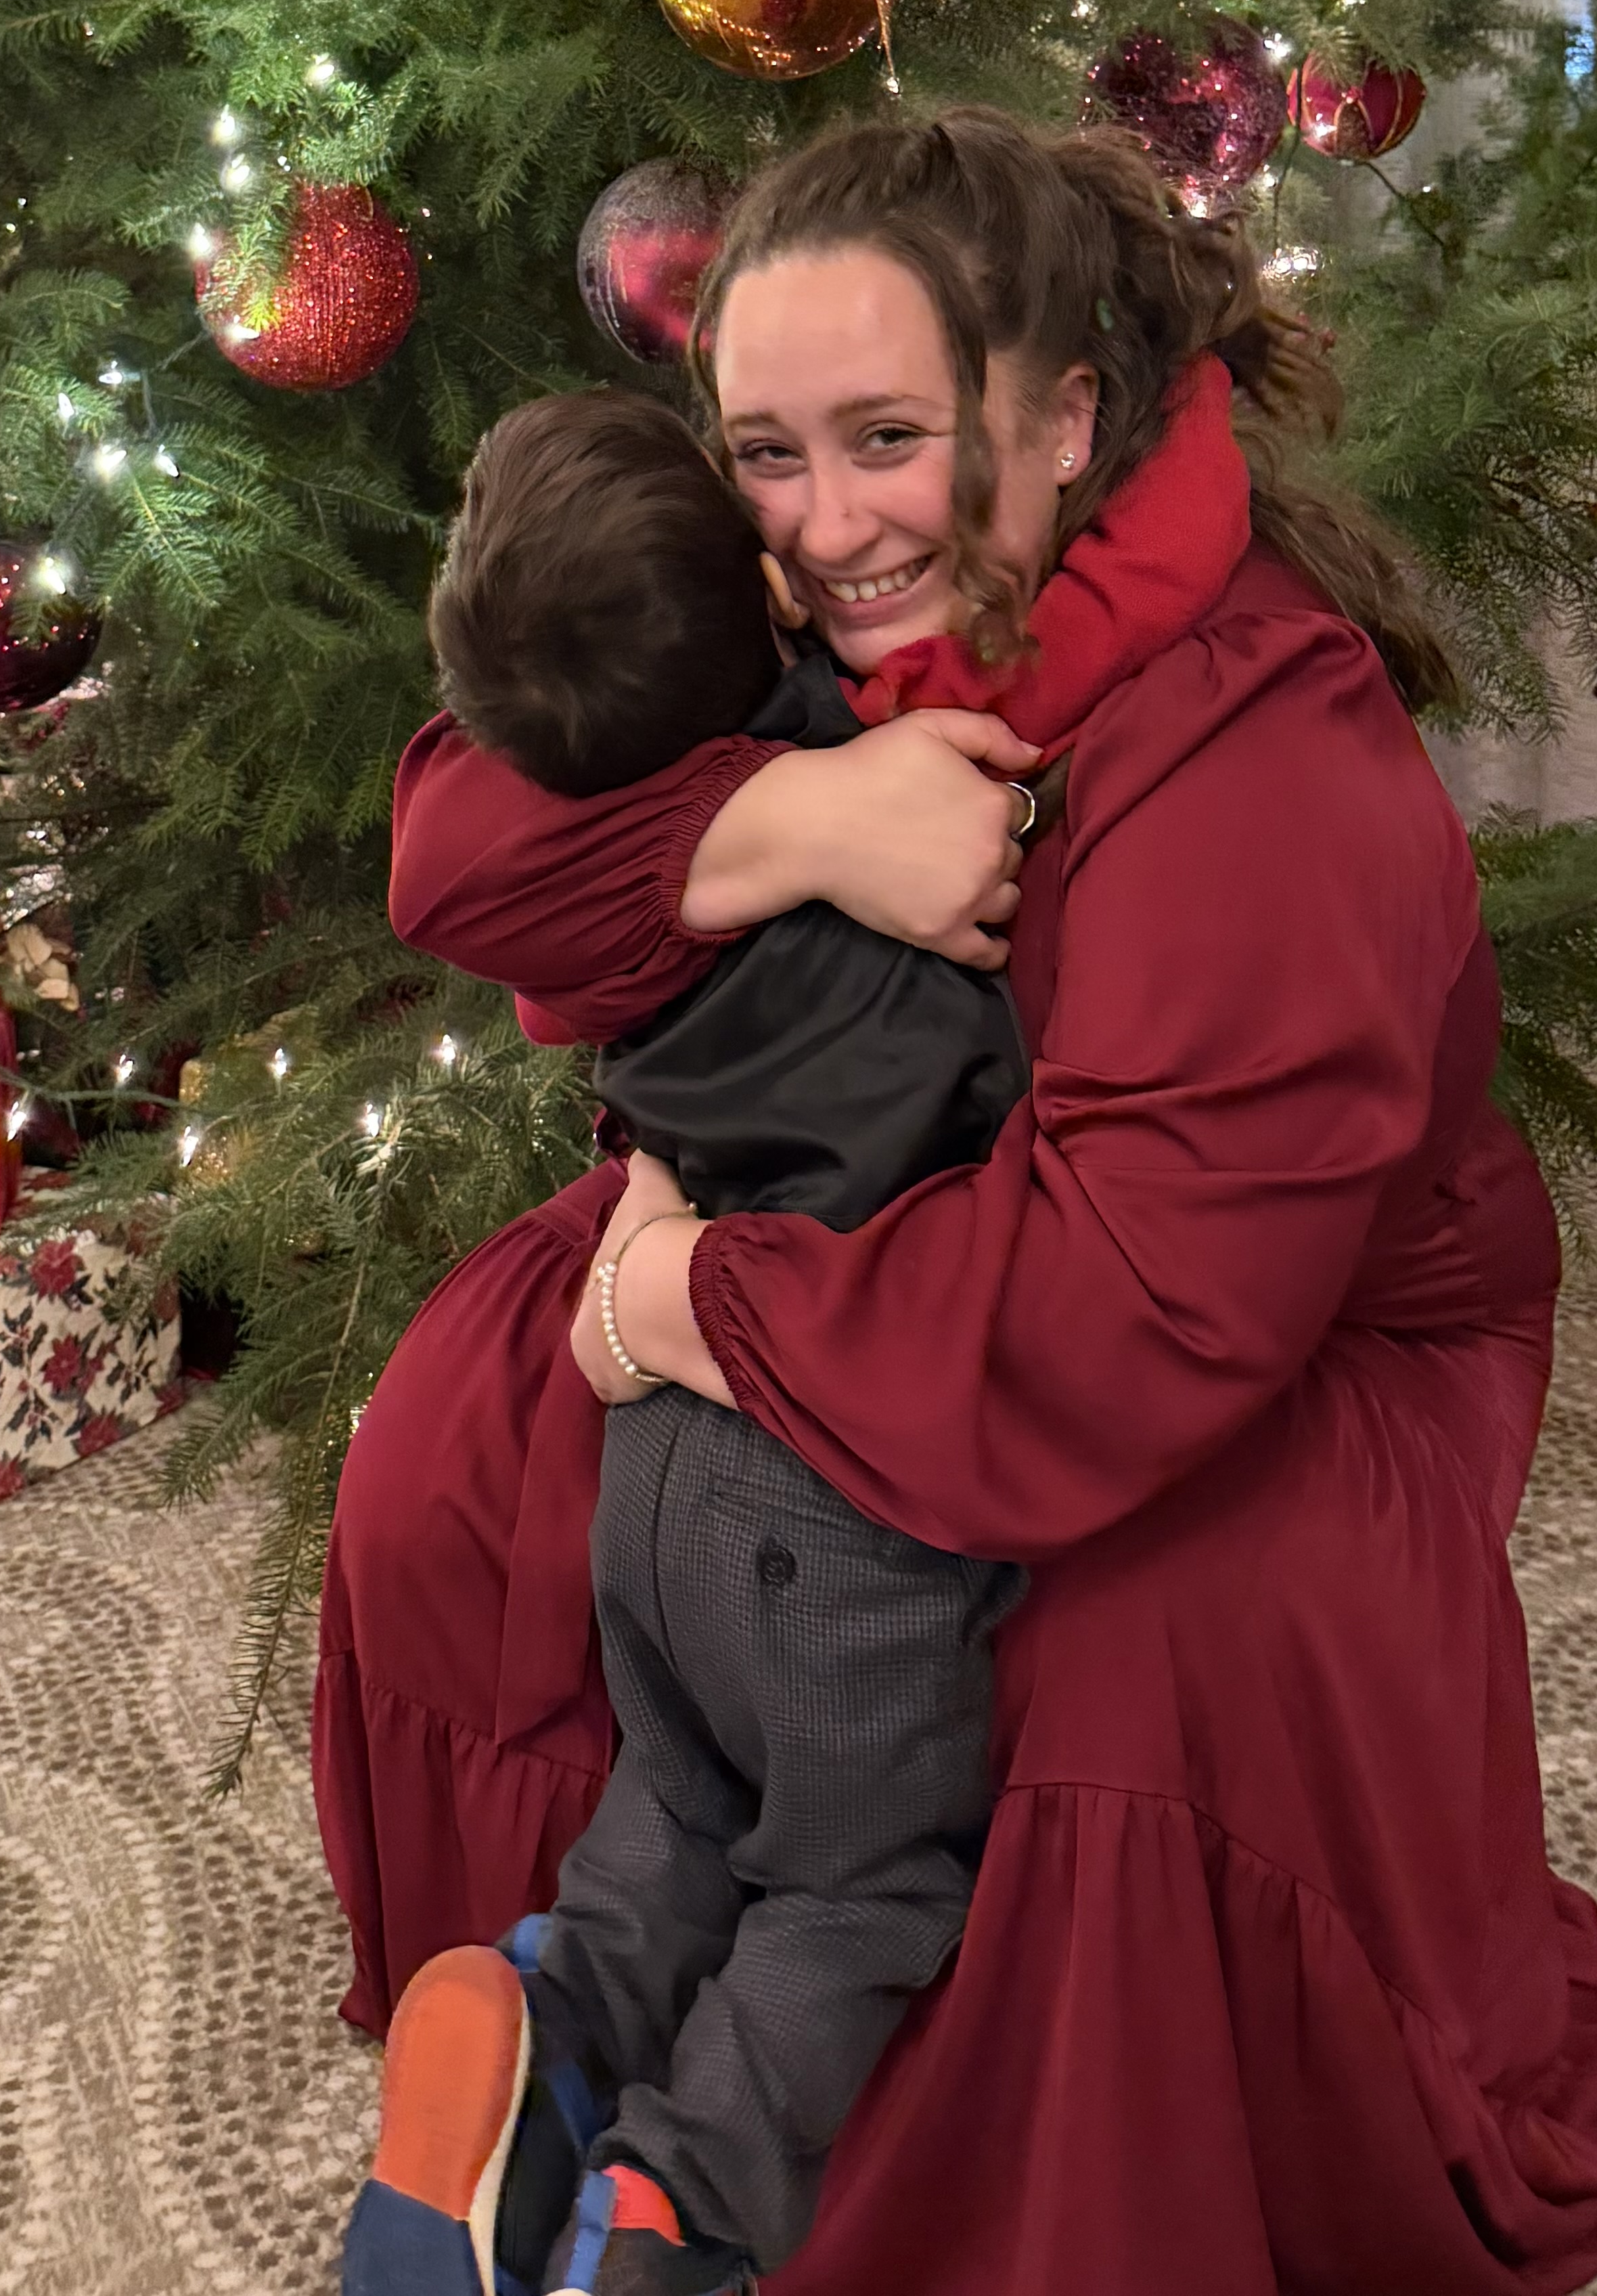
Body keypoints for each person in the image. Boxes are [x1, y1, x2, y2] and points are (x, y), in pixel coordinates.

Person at [317, 107, 1597, 2296]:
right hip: (871, 1195)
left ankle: (752, 2157)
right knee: (475, 1428)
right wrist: (798, 824)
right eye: (764, 452)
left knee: (1106, 1652)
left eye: (885, 438)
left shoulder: (1265, 748)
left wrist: (682, 1308)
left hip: (1265, 1340)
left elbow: (1123, 1315)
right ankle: (581, 2060)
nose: (828, 529)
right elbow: (462, 836)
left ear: (1065, 415)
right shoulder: (797, 614)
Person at [343, 384, 1033, 2296]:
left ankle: (536, 2050)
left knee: (679, 1797)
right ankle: (667, 2217)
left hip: (646, 1446)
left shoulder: (608, 870)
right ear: (767, 590)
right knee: (856, 1881)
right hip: (828, 1470)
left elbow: (458, 826)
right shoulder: (888, 782)